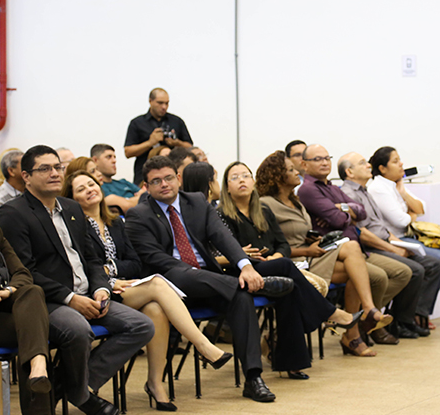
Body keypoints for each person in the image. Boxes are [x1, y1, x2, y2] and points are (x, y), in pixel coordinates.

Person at [125, 156, 361, 400]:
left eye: (168, 178)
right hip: (175, 287)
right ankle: (276, 295)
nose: (164, 184)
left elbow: (222, 237)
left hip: (214, 281)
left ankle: (253, 378)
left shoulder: (195, 201)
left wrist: (246, 266)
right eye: (156, 181)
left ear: (178, 178)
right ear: (146, 186)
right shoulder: (139, 215)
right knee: (211, 281)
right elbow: (156, 260)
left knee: (264, 277)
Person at [0, 145, 155, 415]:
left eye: (58, 167)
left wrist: (101, 288)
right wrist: (71, 298)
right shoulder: (13, 214)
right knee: (79, 330)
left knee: (141, 325)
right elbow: (25, 271)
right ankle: (82, 395)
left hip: (88, 293)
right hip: (48, 300)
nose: (55, 173)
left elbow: (91, 258)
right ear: (26, 176)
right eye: (45, 169)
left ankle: (70, 387)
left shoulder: (71, 207)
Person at [62, 169, 232, 412]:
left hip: (126, 286)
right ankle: (203, 345)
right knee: (157, 284)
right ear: (72, 199)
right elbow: (84, 266)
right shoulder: (76, 229)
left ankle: (155, 382)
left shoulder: (116, 223)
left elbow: (135, 262)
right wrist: (108, 278)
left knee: (156, 309)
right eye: (81, 189)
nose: (90, 189)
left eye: (91, 184)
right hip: (95, 292)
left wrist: (110, 269)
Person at [222, 160, 392, 359]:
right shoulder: (244, 209)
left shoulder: (277, 205)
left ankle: (354, 327)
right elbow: (231, 252)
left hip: (290, 259)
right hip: (274, 265)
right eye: (235, 178)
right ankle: (346, 317)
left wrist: (280, 254)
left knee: (352, 261)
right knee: (351, 257)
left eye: (245, 176)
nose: (298, 172)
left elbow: (281, 244)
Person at [258, 151, 413, 351]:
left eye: (327, 158)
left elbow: (360, 212)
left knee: (355, 270)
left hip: (313, 252)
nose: (296, 172)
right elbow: (274, 246)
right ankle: (365, 314)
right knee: (353, 250)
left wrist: (325, 224)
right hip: (295, 261)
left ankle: (354, 329)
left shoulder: (296, 200)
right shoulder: (269, 204)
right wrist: (310, 244)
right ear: (278, 177)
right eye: (291, 170)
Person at [339, 151, 440, 338]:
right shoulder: (349, 194)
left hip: (385, 241)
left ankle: (405, 318)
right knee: (414, 270)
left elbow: (382, 227)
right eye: (363, 163)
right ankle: (380, 317)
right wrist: (392, 248)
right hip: (371, 247)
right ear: (349, 172)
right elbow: (362, 233)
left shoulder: (364, 190)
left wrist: (400, 245)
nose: (368, 165)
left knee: (433, 263)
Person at [368, 146, 440, 326]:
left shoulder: (397, 184)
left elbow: (421, 208)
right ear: (382, 168)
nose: (401, 164)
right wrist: (411, 214)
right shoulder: (378, 188)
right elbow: (402, 221)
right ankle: (418, 312)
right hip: (399, 240)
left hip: (412, 236)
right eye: (395, 161)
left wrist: (403, 195)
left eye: (399, 159)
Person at [0, 226, 56, 415]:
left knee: (32, 292)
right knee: (32, 332)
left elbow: (22, 274)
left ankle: (37, 367)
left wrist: (7, 291)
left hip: (1, 312)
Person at [124, 88, 193, 185]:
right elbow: (128, 152)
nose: (164, 107)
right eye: (160, 103)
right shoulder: (137, 123)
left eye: (167, 103)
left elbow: (190, 147)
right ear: (150, 101)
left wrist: (177, 143)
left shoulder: (176, 121)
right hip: (145, 175)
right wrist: (150, 143)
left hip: (174, 174)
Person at [91, 144, 145, 213]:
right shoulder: (97, 187)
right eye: (109, 157)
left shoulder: (123, 182)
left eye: (114, 157)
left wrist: (128, 200)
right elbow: (127, 206)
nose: (114, 161)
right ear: (95, 160)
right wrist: (135, 199)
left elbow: (147, 197)